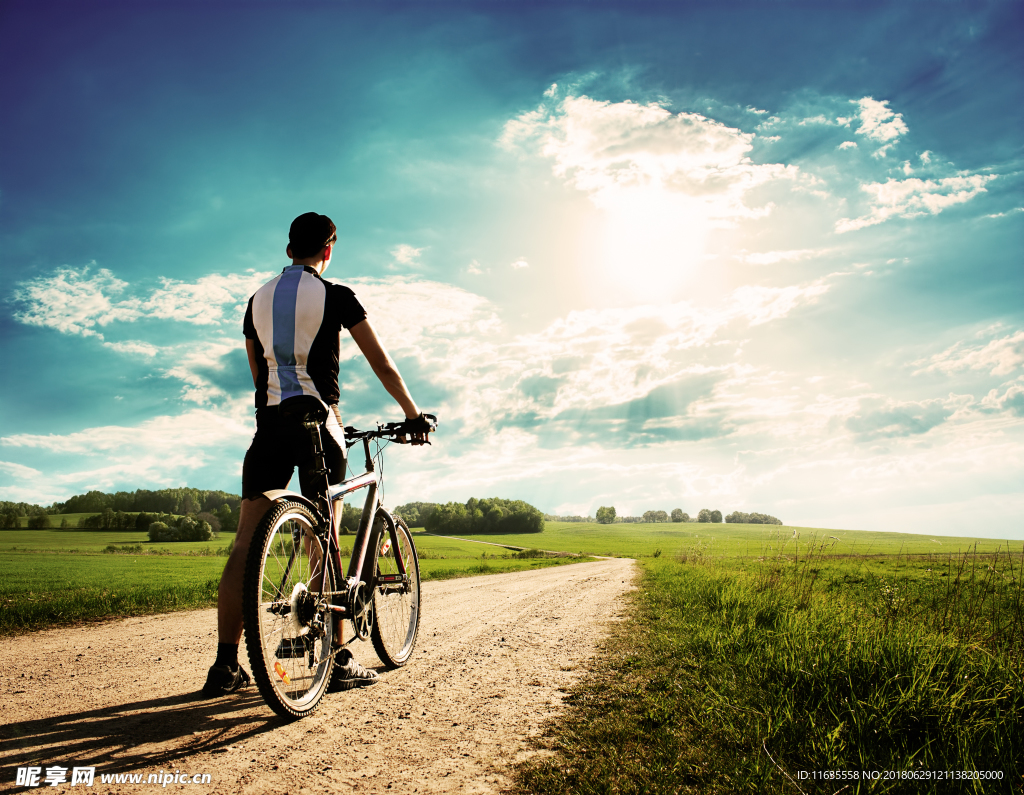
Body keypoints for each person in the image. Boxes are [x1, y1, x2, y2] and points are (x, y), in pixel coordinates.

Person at [202, 212, 431, 697]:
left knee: (245, 544)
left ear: (289, 250)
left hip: (269, 425)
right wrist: (412, 413)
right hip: (319, 427)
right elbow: (382, 364)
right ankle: (338, 658)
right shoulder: (337, 296)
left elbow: (256, 373)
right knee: (322, 538)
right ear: (328, 250)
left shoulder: (255, 301)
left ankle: (224, 666)